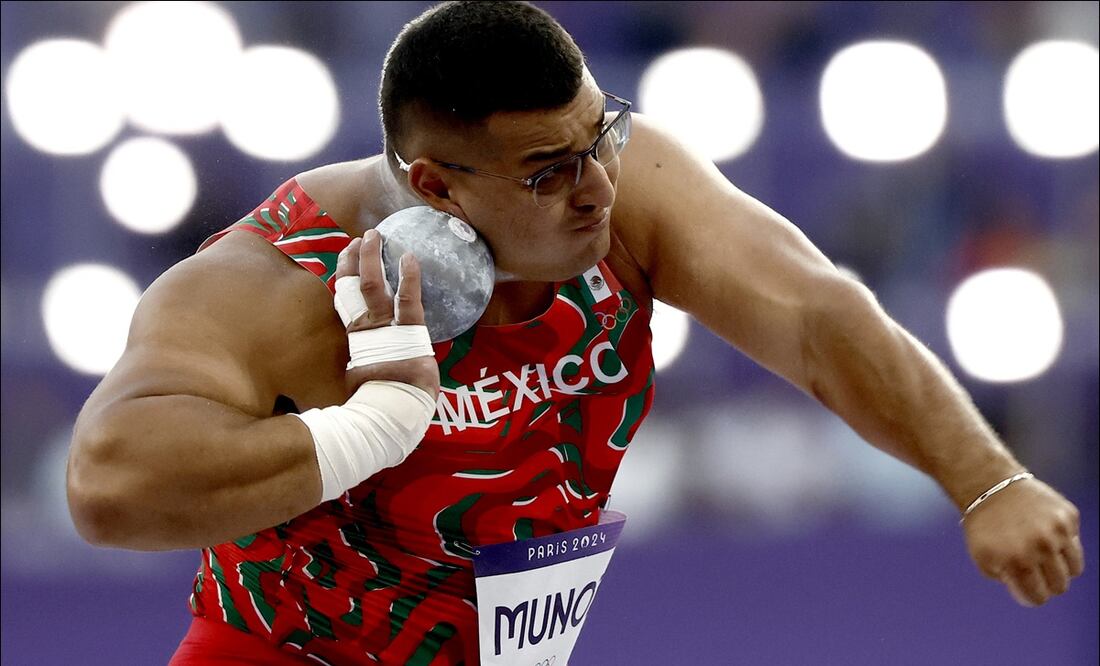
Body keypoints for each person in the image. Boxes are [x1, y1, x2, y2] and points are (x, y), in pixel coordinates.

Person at [66, 2, 1084, 664]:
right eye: (549, 168)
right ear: (435, 186)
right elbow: (109, 490)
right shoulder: (282, 284)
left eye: (599, 134)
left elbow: (814, 312)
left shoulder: (621, 186)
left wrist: (984, 480)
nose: (599, 188)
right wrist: (378, 422)